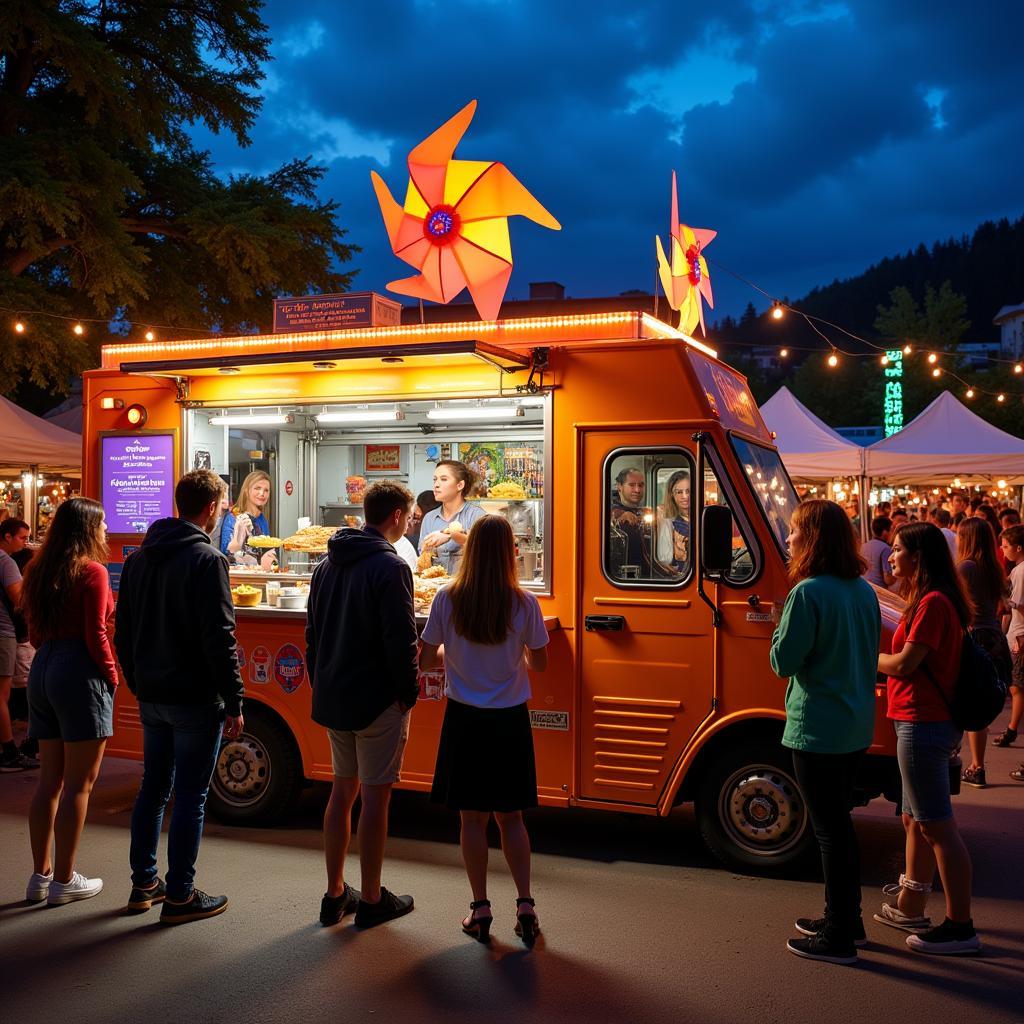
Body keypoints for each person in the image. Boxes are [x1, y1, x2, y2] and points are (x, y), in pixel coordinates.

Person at [114, 469, 244, 923]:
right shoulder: (209, 561)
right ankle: (181, 896)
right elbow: (220, 638)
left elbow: (122, 631)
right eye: (223, 505)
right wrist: (234, 699)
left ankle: (144, 884)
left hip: (152, 695)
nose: (223, 511)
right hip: (193, 698)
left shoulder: (138, 559)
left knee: (153, 789)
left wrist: (137, 679)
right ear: (211, 508)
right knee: (191, 797)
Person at [420, 515, 549, 946]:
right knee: (511, 817)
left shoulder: (447, 597)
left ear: (470, 550)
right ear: (510, 552)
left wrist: (451, 651)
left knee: (471, 820)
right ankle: (526, 904)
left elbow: (425, 660)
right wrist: (519, 656)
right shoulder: (524, 602)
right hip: (510, 719)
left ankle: (480, 909)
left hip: (465, 719)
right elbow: (541, 662)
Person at [770, 500, 880, 966]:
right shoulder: (863, 591)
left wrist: (778, 628)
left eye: (795, 531)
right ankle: (845, 918)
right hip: (854, 723)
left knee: (829, 832)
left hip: (817, 726)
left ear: (812, 539)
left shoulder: (807, 594)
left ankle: (838, 933)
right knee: (839, 827)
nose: (789, 539)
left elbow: (783, 661)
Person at [307, 481, 419, 928]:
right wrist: (407, 694)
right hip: (376, 700)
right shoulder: (391, 567)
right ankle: (371, 899)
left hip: (335, 696)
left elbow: (312, 635)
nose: (409, 523)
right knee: (375, 800)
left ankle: (335, 894)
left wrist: (323, 683)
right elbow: (401, 641)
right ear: (395, 516)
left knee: (341, 792)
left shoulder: (325, 564)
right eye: (408, 516)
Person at [875, 521, 981, 955]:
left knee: (937, 825)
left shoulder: (933, 603)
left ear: (917, 557)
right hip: (918, 721)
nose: (891, 556)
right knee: (915, 819)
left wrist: (865, 654)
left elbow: (904, 664)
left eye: (897, 550)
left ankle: (961, 926)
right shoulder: (928, 599)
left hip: (924, 724)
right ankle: (911, 902)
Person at [21, 498, 117, 904]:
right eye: (102, 525)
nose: (106, 531)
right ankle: (64, 881)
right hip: (79, 670)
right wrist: (111, 676)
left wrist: (52, 656)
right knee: (80, 785)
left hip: (43, 668)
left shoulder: (38, 569)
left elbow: (35, 630)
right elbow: (96, 632)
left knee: (50, 782)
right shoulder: (92, 571)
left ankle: (39, 876)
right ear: (87, 529)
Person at [956, 518, 1011, 788]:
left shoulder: (966, 567)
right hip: (994, 637)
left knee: (970, 703)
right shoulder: (992, 567)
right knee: (979, 703)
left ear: (966, 538)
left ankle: (976, 766)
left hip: (975, 636)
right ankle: (977, 764)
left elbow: (955, 602)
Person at [1, 518, 37, 765]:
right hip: (3, 632)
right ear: (7, 537)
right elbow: (20, 598)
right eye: (23, 538)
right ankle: (9, 751)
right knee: (2, 695)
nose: (26, 544)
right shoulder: (5, 562)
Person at [418, 461, 486, 575]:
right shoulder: (429, 518)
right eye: (435, 479)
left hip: (467, 588)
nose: (436, 485)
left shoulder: (477, 515)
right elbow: (423, 556)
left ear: (460, 485)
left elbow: (485, 548)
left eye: (443, 479)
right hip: (436, 587)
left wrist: (450, 536)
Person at [994, 524, 1024, 748]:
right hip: (1016, 632)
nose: (1003, 551)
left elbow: (1020, 606)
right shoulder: (1017, 569)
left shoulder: (1021, 571)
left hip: (1020, 635)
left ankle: (1013, 728)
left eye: (1005, 547)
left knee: (1017, 686)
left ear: (1019, 547)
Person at [219, 469, 275, 568]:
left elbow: (266, 553)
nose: (262, 493)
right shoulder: (233, 517)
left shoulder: (262, 520)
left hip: (258, 575)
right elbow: (225, 552)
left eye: (266, 490)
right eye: (257, 488)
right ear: (246, 490)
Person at [609, 467, 651, 576]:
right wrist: (618, 514)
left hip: (647, 577)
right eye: (632, 485)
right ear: (619, 486)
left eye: (641, 485)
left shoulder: (646, 512)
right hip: (620, 579)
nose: (637, 490)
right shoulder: (609, 512)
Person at [655, 471, 690, 574]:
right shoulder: (664, 516)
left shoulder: (703, 517)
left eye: (688, 491)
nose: (685, 496)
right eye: (679, 492)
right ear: (671, 494)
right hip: (674, 579)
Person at [861, 515, 897, 589]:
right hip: (880, 591)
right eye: (892, 530)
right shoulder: (886, 549)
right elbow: (888, 579)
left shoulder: (863, 546)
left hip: (865, 587)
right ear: (884, 532)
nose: (893, 533)